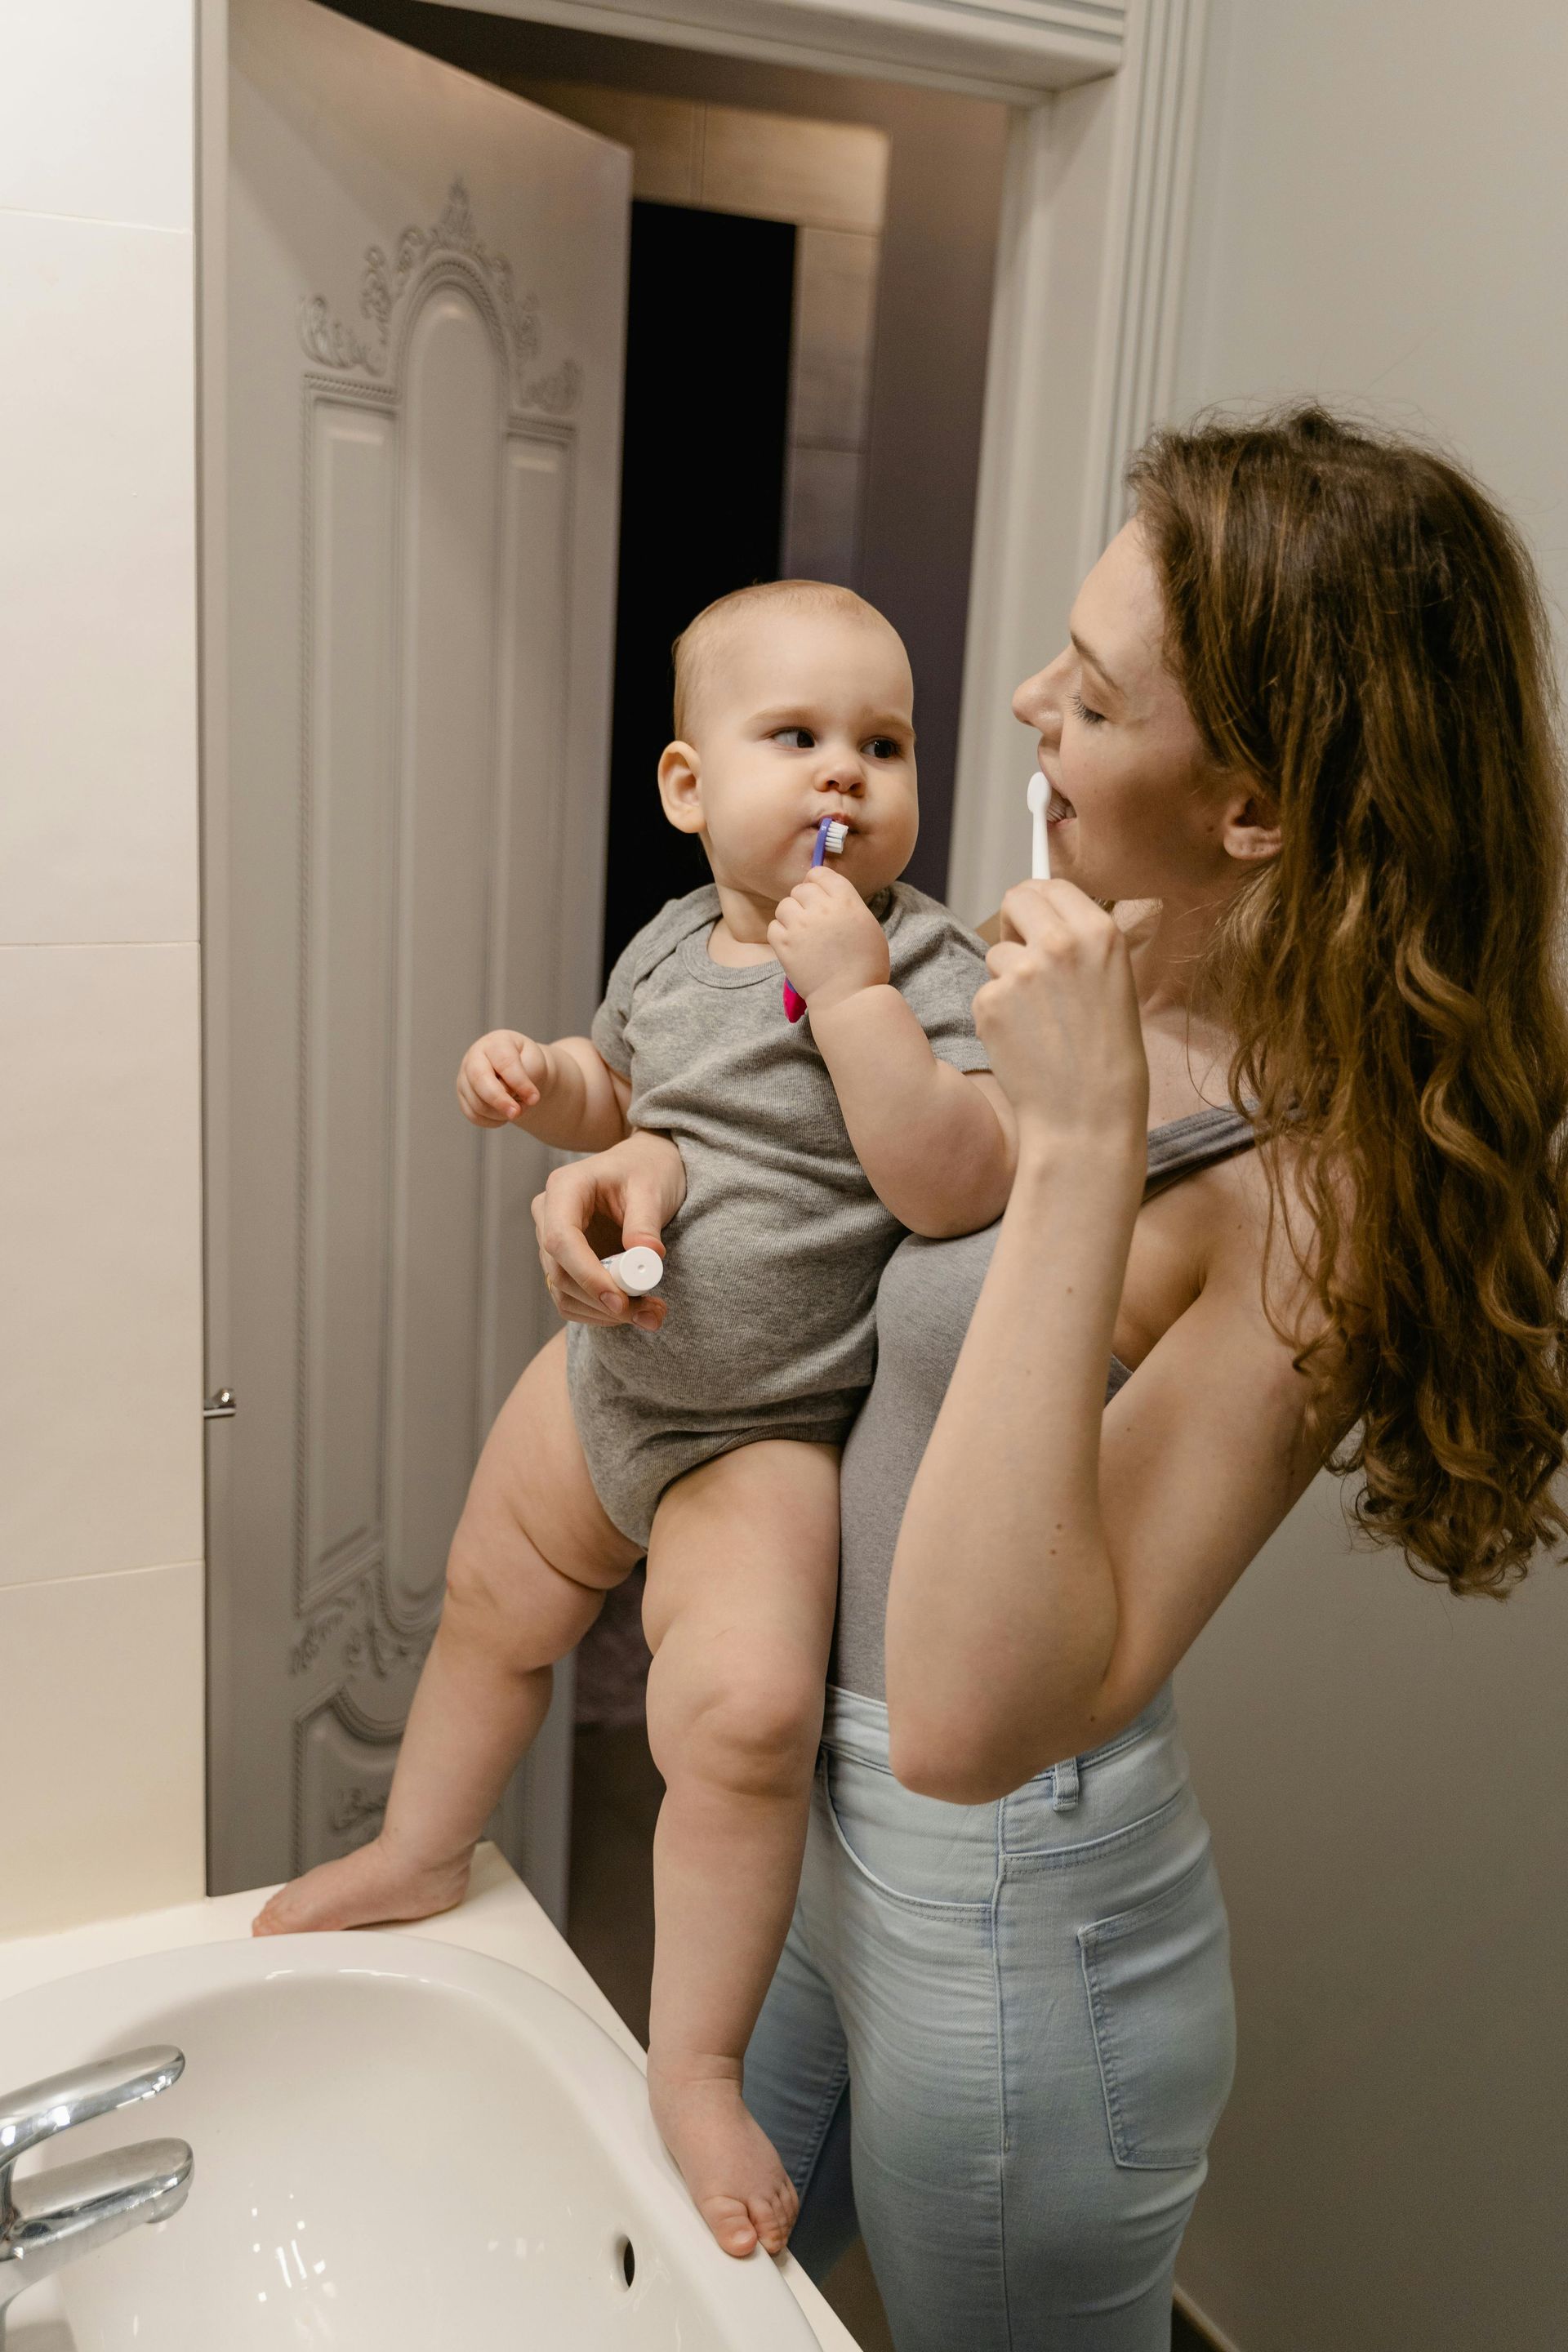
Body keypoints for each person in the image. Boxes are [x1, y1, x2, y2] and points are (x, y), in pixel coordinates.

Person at [534, 407, 1568, 2350]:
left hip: (1012, 1925)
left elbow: (975, 1717)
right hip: (818, 1845)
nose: (1022, 705)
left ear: (1253, 805)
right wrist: (633, 1172)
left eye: (1091, 696)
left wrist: (1085, 1151)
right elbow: (835, 1266)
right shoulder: (1089, 987)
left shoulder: (1309, 1189)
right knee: (696, 2304)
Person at [254, 579, 1017, 2260]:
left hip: (771, 1434)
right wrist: (543, 1076)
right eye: (798, 741)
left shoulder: (932, 959)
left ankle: (695, 2060)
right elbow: (626, 1085)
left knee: (737, 1728)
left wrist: (862, 996)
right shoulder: (675, 940)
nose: (844, 782)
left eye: (881, 747)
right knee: (487, 1605)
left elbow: (958, 1180)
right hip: (615, 1380)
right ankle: (419, 1843)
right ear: (689, 788)